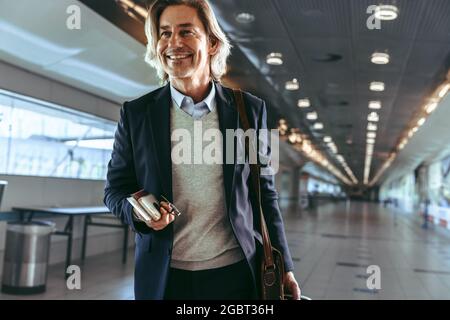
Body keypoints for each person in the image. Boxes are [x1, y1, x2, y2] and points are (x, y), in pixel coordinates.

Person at [104, 0, 301, 300]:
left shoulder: (248, 111)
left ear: (211, 42)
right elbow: (115, 190)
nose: (173, 43)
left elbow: (264, 192)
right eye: (165, 33)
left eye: (186, 32)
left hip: (235, 274)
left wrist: (285, 265)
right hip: (165, 278)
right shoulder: (137, 114)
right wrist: (141, 216)